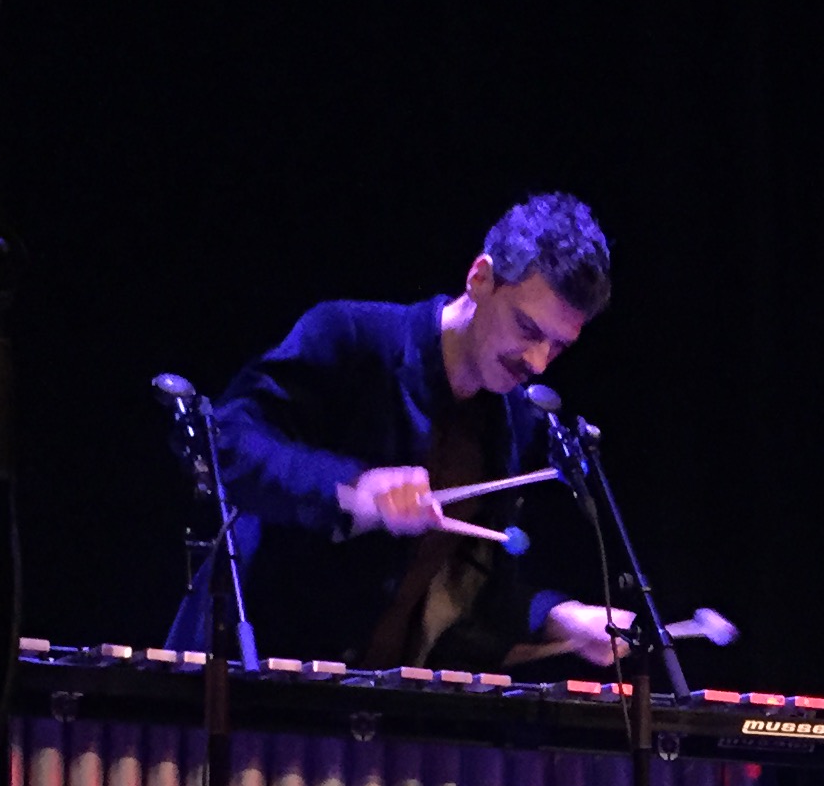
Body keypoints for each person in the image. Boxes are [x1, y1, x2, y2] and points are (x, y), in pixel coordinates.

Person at [171, 192, 631, 670]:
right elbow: (221, 444)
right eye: (527, 329)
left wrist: (563, 618)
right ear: (481, 279)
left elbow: (477, 593)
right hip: (250, 679)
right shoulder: (351, 338)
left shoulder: (511, 420)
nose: (537, 362)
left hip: (368, 710)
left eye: (558, 346)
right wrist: (353, 490)